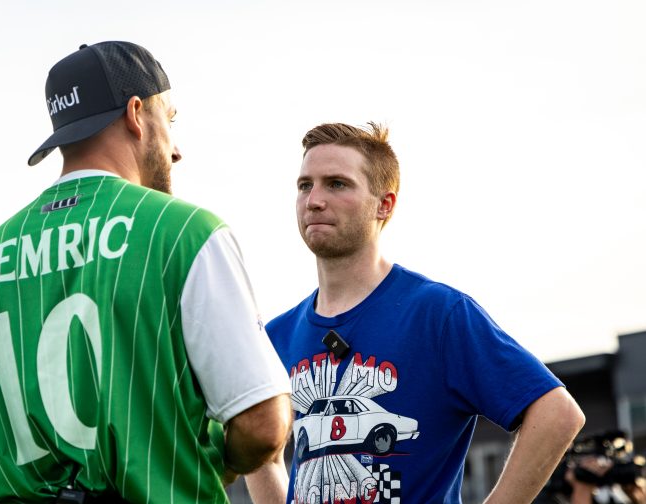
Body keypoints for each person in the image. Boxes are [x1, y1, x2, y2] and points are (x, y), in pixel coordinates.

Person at [0, 41, 292, 503]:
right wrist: (206, 459)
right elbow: (264, 424)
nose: (176, 149)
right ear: (136, 114)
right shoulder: (183, 232)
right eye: (170, 119)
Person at [246, 122, 586, 503]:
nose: (314, 200)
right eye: (305, 185)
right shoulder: (276, 336)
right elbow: (259, 450)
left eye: (337, 184)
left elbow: (557, 414)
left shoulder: (437, 314)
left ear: (384, 204)